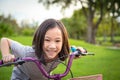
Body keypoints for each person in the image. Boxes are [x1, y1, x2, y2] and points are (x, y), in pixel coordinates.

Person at [0, 18, 86, 80]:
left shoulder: (61, 54)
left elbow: (71, 52)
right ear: (40, 39)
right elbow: (5, 40)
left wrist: (78, 51)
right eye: (47, 40)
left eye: (57, 41)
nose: (52, 46)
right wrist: (6, 55)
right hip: (21, 77)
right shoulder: (27, 52)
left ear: (63, 42)